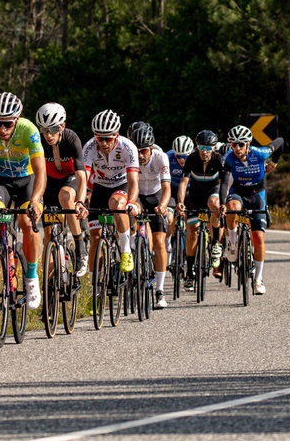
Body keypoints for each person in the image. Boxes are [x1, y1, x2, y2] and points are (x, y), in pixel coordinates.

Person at [0, 92, 47, 310]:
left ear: (17, 119)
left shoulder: (29, 130)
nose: (2, 129)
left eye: (8, 124)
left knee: (27, 223)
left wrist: (36, 200)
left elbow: (41, 171)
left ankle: (31, 278)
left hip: (27, 180)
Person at [220, 125, 285, 295]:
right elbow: (225, 183)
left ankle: (258, 278)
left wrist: (274, 162)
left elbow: (280, 141)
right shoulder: (228, 158)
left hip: (257, 194)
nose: (237, 148)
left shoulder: (260, 153)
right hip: (238, 192)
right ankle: (233, 243)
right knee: (232, 208)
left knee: (258, 237)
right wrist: (222, 203)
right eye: (233, 144)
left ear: (248, 144)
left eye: (241, 144)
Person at [35, 102, 91, 277]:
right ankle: (50, 284)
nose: (48, 135)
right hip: (50, 182)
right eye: (44, 130)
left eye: (52, 129)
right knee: (49, 235)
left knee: (65, 196)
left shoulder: (71, 139)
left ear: (62, 126)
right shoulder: (39, 142)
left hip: (70, 179)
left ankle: (80, 246)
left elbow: (81, 176)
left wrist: (80, 201)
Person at [83, 109, 140, 273]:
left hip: (121, 185)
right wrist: (80, 199)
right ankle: (94, 282)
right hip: (100, 187)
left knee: (116, 203)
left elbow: (133, 181)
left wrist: (130, 202)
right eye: (99, 138)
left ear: (116, 135)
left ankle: (126, 250)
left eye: (107, 139)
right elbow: (83, 177)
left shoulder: (128, 147)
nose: (103, 143)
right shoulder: (89, 147)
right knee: (95, 238)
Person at [176, 130, 225, 289]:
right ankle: (189, 271)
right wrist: (180, 202)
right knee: (192, 230)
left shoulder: (218, 159)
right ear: (197, 147)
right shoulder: (191, 159)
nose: (204, 151)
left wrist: (223, 202)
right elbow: (184, 182)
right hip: (195, 196)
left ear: (214, 148)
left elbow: (223, 183)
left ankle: (216, 243)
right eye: (201, 147)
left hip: (212, 192)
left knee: (214, 204)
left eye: (208, 148)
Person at [130, 123, 171, 309]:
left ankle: (160, 290)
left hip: (155, 196)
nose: (140, 155)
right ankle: (132, 244)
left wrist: (163, 205)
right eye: (137, 151)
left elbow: (166, 187)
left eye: (144, 151)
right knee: (132, 211)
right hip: (138, 195)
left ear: (151, 148)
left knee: (160, 242)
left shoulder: (161, 157)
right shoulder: (129, 157)